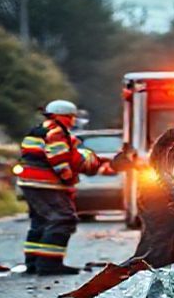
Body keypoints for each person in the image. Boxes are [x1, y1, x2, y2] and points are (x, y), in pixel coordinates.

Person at [17, 100, 111, 275]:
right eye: (71, 117)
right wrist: (66, 175)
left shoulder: (38, 130)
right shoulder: (57, 132)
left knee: (40, 221)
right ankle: (49, 264)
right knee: (63, 219)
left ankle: (33, 262)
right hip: (46, 184)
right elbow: (58, 156)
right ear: (64, 116)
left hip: (30, 182)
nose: (73, 121)